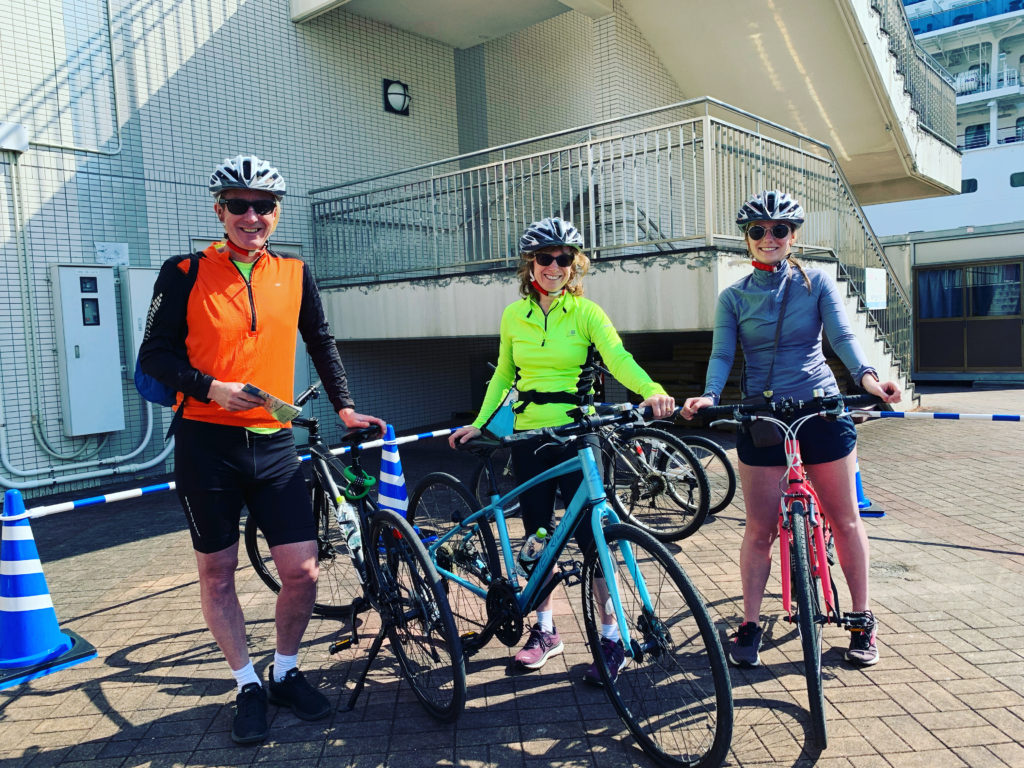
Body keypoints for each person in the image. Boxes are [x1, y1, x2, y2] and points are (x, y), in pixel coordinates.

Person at [138, 155, 385, 744]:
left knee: (301, 571)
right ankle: (246, 682)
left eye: (264, 206)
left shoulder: (295, 273)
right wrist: (209, 387)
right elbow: (153, 356)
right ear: (218, 209)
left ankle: (285, 669)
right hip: (205, 443)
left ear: (277, 213)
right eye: (239, 204)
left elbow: (319, 340)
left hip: (273, 442)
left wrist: (344, 406)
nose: (253, 216)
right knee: (217, 573)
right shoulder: (184, 271)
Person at [681, 190, 901, 668]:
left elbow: (842, 337)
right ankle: (750, 622)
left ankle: (862, 618)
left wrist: (868, 380)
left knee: (845, 519)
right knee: (759, 528)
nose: (769, 238)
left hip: (820, 406)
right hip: (761, 415)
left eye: (779, 230)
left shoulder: (816, 282)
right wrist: (710, 396)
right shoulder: (734, 297)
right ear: (747, 239)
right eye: (758, 231)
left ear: (793, 236)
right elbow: (722, 355)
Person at [449, 216, 675, 682]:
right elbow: (503, 376)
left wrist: (651, 390)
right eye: (545, 258)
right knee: (537, 541)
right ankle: (545, 631)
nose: (555, 266)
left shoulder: (587, 313)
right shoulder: (514, 315)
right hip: (530, 438)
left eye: (564, 258)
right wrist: (480, 423)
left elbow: (618, 358)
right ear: (529, 264)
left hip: (579, 434)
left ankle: (610, 637)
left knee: (596, 542)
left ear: (576, 264)